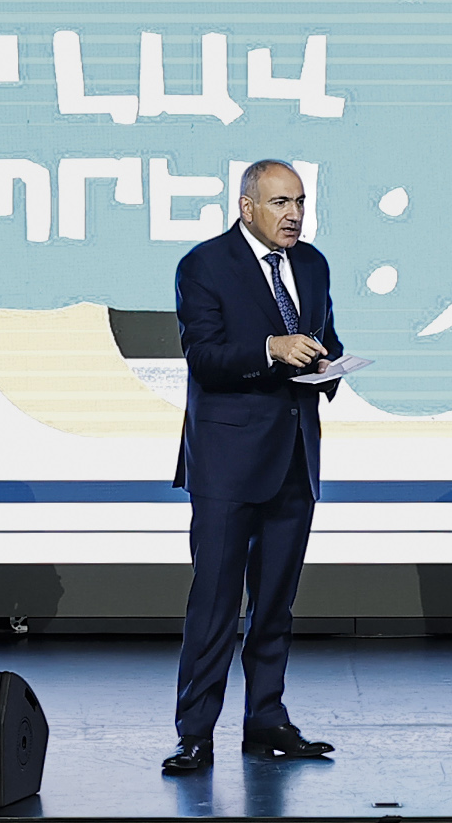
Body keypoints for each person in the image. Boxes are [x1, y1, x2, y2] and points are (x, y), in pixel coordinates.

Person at [162, 159, 343, 775]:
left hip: (293, 458)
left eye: (300, 202)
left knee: (275, 606)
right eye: (280, 203)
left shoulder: (312, 264)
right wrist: (271, 349)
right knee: (215, 605)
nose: (294, 215)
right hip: (227, 465)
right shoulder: (204, 265)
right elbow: (204, 356)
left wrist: (329, 365)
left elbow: (326, 337)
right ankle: (194, 734)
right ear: (247, 207)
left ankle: (266, 720)